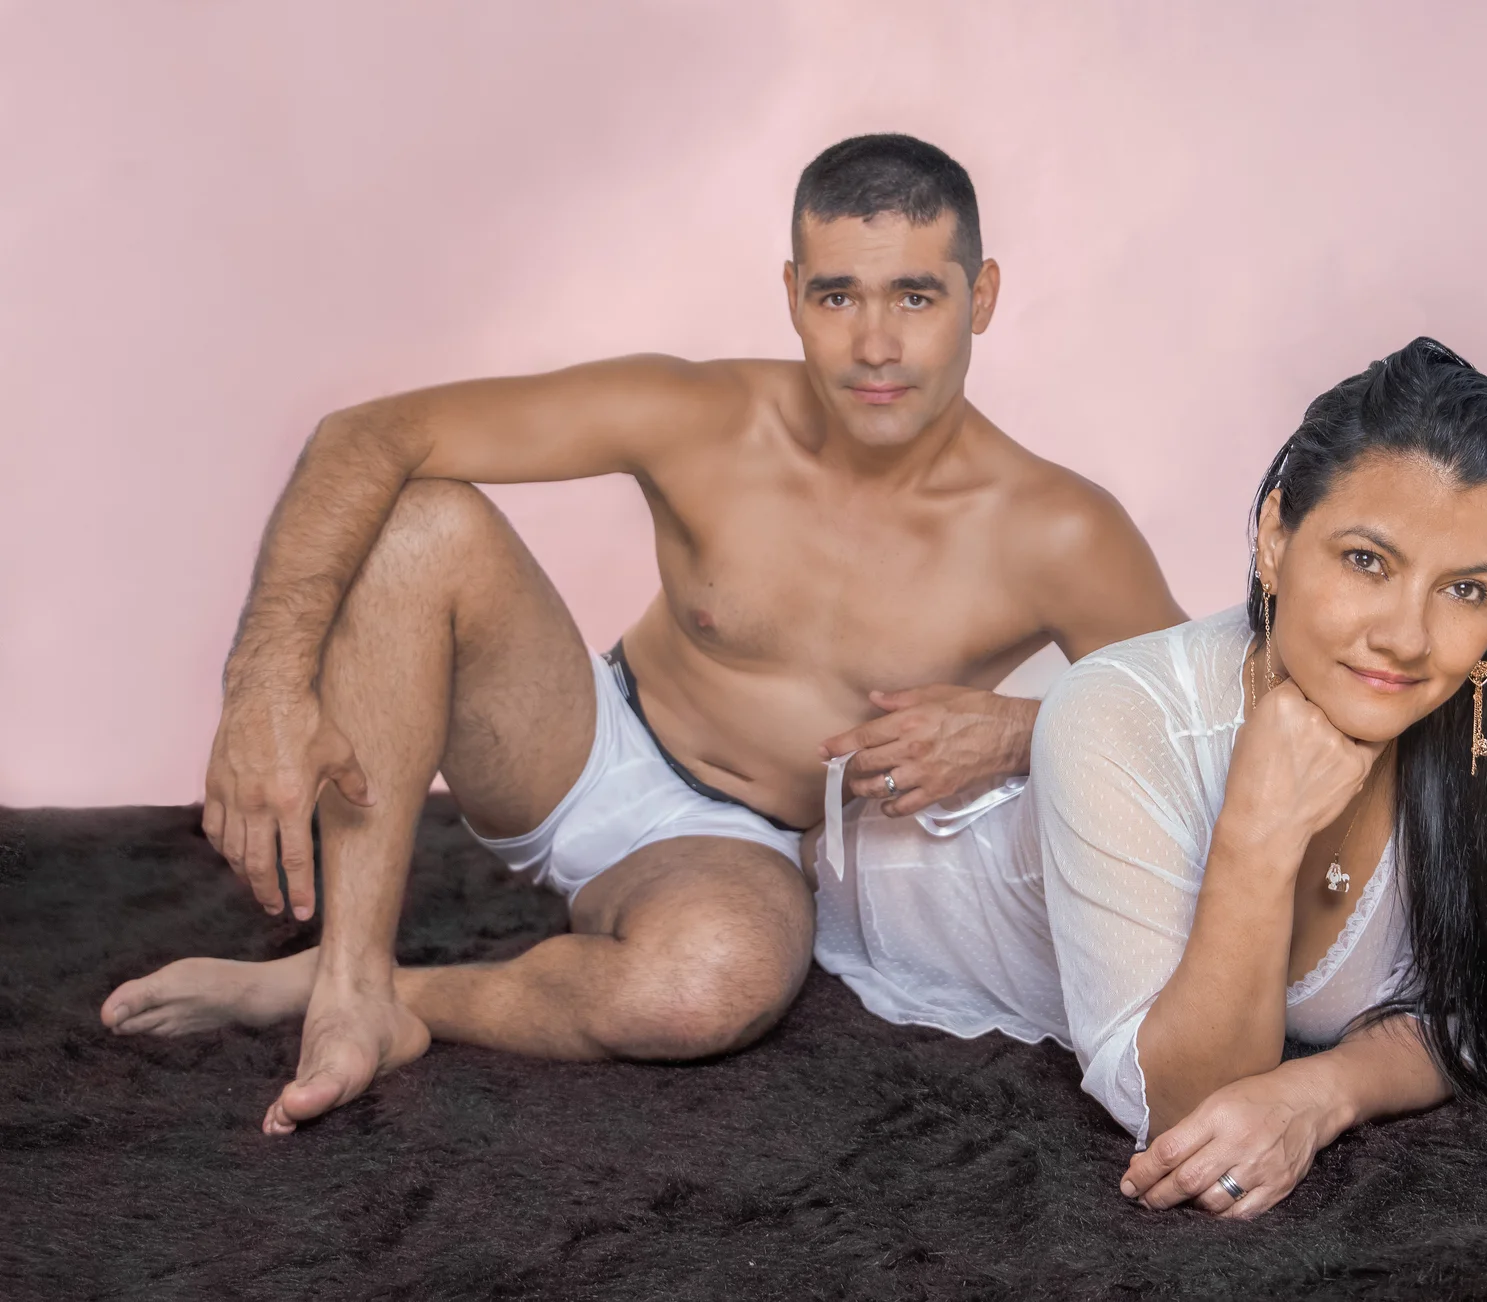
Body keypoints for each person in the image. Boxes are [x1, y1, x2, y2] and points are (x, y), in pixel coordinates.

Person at [99, 134, 1184, 1135]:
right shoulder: (708, 417)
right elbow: (369, 434)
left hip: (743, 851)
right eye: (837, 295)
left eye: (916, 295)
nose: (875, 345)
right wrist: (263, 690)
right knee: (422, 519)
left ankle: (383, 994)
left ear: (980, 297)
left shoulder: (1057, 530)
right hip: (577, 742)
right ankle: (346, 983)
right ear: (792, 296)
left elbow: (1196, 715)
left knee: (706, 984)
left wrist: (1017, 729)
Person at [810, 336, 1487, 1218]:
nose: (1407, 638)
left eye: (1465, 590)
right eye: (1367, 561)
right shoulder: (1116, 712)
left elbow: (1472, 1004)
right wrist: (1259, 833)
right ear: (1275, 539)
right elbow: (1182, 1109)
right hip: (880, 866)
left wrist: (1322, 1093)